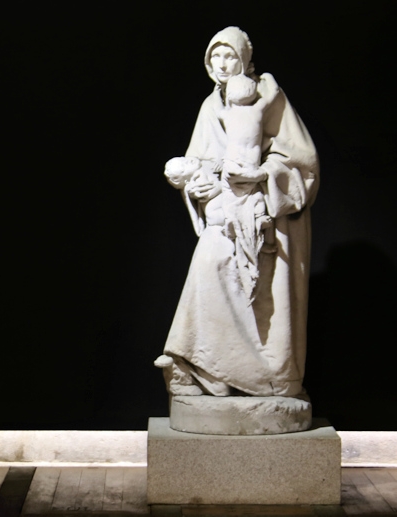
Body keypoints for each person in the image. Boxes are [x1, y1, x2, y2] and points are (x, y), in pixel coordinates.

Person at [155, 27, 319, 398]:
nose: (222, 64)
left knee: (226, 273)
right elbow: (199, 161)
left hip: (265, 213)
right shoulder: (210, 106)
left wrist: (259, 177)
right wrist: (198, 184)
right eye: (215, 56)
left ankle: (262, 376)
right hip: (224, 214)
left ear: (244, 59)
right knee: (209, 265)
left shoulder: (268, 96)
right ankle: (205, 368)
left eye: (230, 56)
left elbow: (302, 163)